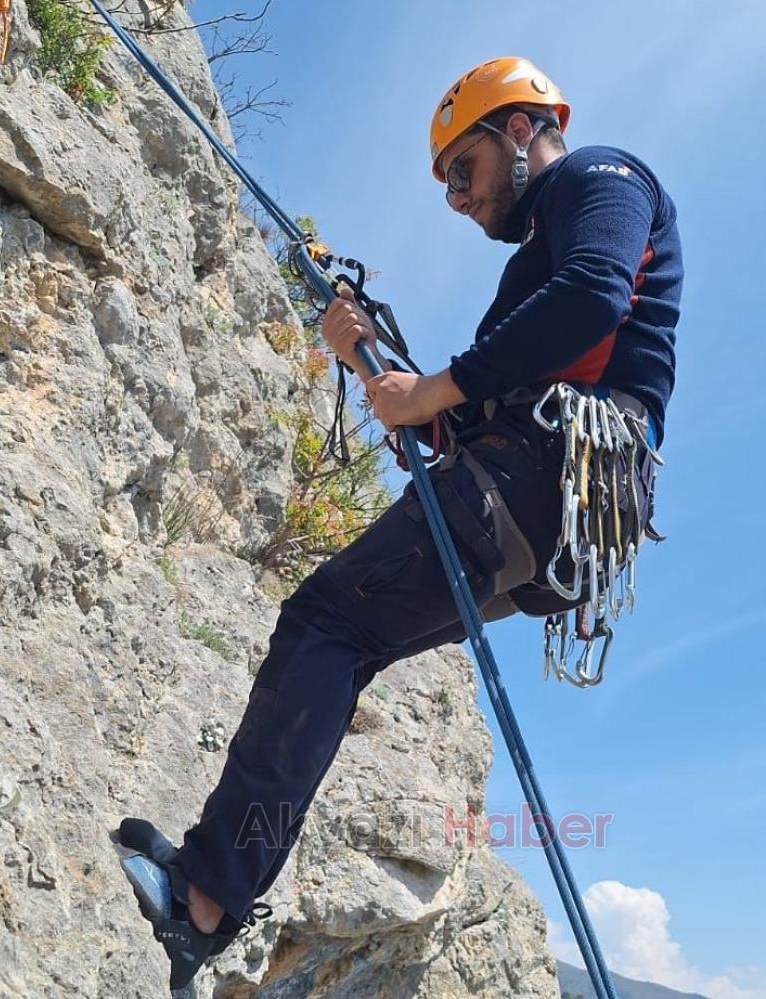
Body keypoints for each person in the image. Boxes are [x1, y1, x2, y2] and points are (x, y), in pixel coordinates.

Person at [115, 56, 683, 990]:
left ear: (517, 130)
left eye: (462, 170)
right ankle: (213, 890)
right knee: (347, 636)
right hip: (549, 514)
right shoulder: (530, 283)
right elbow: (465, 409)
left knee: (326, 621)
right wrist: (371, 359)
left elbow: (593, 295)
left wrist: (436, 388)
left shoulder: (600, 177)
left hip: (547, 475)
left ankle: (209, 897)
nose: (457, 198)